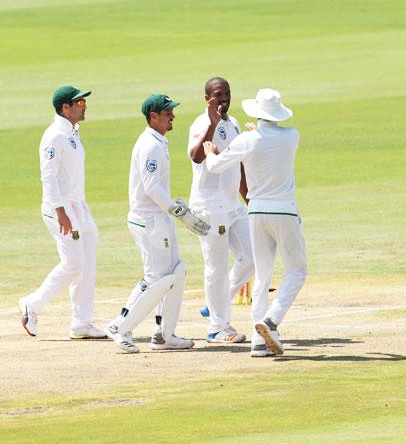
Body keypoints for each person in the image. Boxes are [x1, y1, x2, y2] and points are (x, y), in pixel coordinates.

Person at [204, 88, 307, 357]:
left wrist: (211, 152)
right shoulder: (291, 136)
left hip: (257, 213)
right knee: (297, 270)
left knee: (262, 275)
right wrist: (255, 133)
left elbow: (215, 166)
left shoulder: (247, 140)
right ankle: (271, 320)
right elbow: (270, 142)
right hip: (285, 211)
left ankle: (258, 342)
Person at [106, 94, 210, 353]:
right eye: (167, 113)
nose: (172, 116)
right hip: (148, 220)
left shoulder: (158, 141)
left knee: (177, 273)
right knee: (157, 279)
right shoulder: (150, 145)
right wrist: (179, 210)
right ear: (153, 117)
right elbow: (152, 188)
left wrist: (174, 209)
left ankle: (165, 335)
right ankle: (120, 326)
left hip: (159, 218)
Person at [19, 86, 106, 339]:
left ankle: (81, 323)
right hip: (61, 209)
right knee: (74, 262)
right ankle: (31, 304)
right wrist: (61, 212)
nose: (84, 106)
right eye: (79, 103)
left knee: (87, 263)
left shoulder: (71, 132)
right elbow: (48, 177)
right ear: (65, 108)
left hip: (79, 207)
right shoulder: (56, 135)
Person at [188, 77, 254, 344]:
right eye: (218, 95)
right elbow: (195, 156)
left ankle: (215, 303)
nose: (223, 99)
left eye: (227, 94)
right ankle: (216, 328)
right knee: (215, 268)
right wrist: (212, 125)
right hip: (209, 207)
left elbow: (237, 165)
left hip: (232, 206)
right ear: (207, 98)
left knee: (252, 257)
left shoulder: (234, 122)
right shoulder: (201, 124)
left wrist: (249, 198)